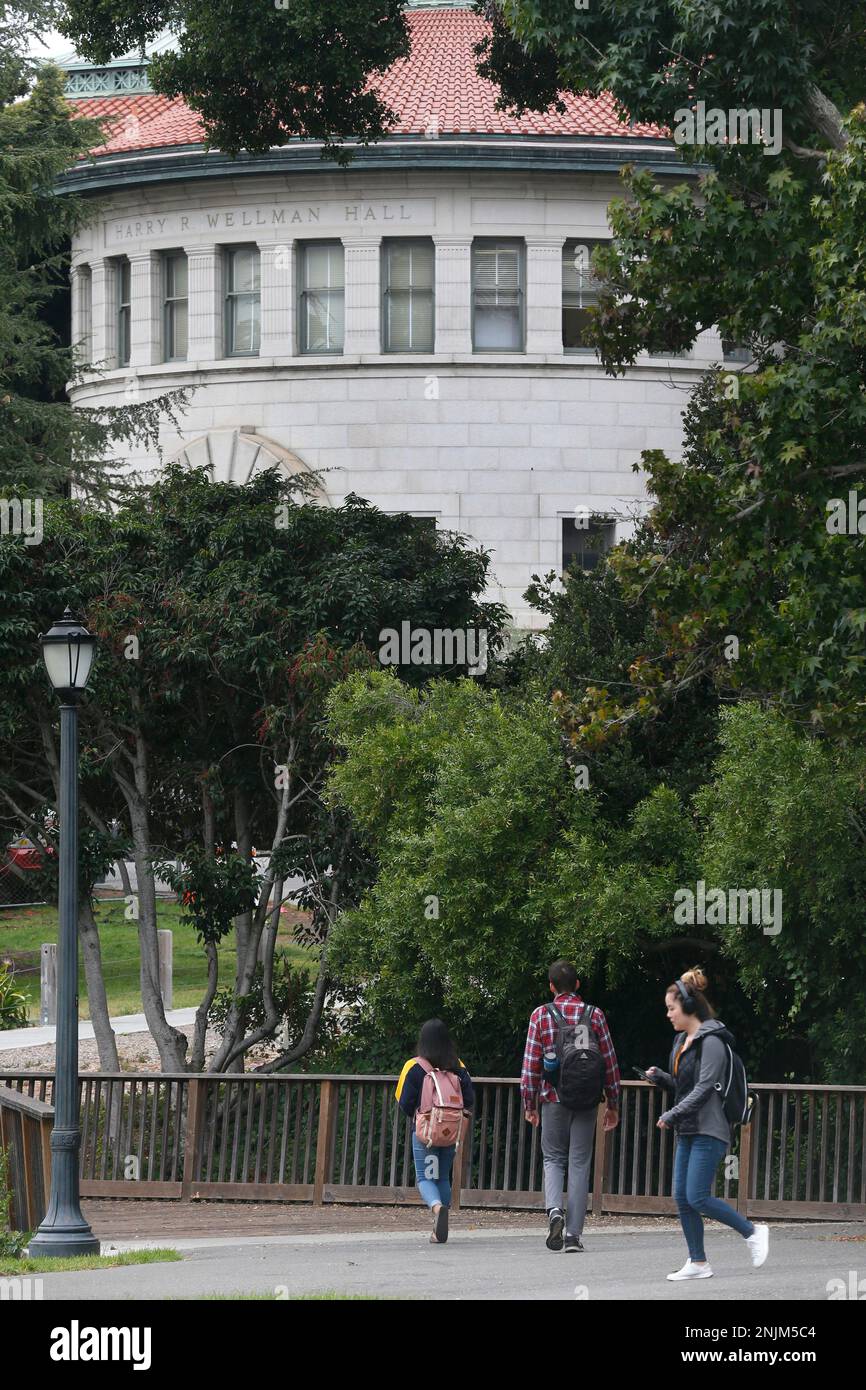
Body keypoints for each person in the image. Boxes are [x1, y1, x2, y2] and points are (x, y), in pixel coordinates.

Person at [646, 967, 769, 1280]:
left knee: (697, 1196)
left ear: (688, 1007)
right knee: (682, 1197)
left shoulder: (712, 1041)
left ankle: (753, 1232)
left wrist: (671, 1114)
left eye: (671, 1008)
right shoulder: (680, 1041)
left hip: (710, 1129)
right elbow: (684, 1085)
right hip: (688, 1128)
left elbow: (704, 1089)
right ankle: (698, 1262)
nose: (668, 1014)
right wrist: (662, 1078)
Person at [521, 959, 620, 1252]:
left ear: (551, 987)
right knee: (579, 1163)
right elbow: (610, 1063)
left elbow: (530, 1065)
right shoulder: (595, 1015)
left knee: (553, 1159)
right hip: (588, 1099)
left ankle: (554, 1212)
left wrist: (530, 1103)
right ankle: (573, 1236)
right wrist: (613, 1102)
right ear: (577, 985)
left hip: (553, 1098)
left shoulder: (540, 1015)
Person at [395, 1019, 474, 1245]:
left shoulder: (414, 1066)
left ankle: (438, 1209)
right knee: (442, 1177)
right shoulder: (459, 1066)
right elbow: (469, 1099)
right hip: (450, 1132)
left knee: (425, 1176)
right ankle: (442, 1219)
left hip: (426, 1133)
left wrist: (421, 1116)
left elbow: (404, 1102)